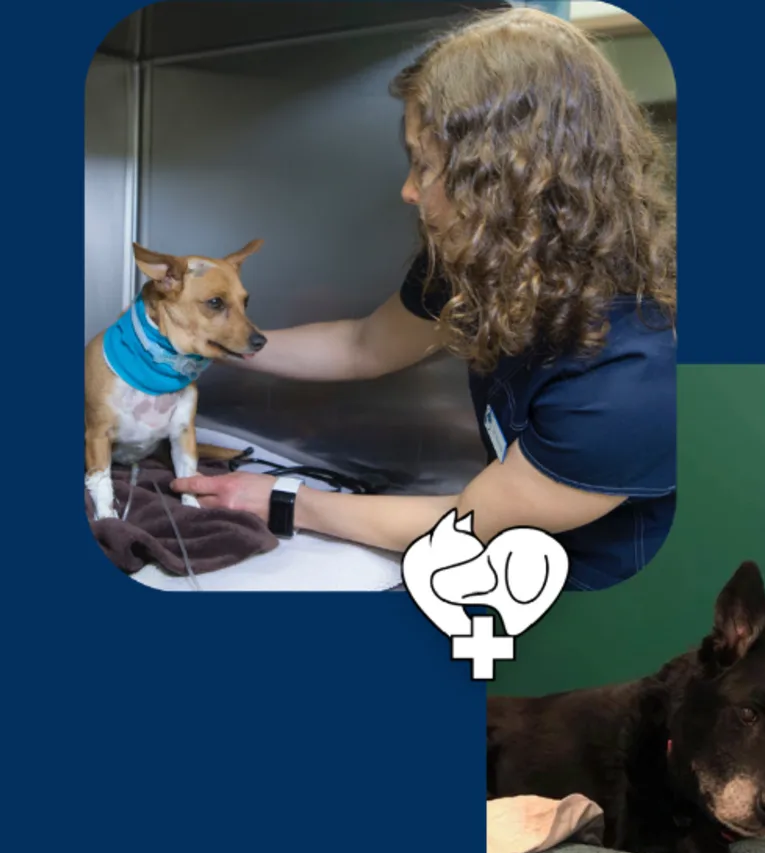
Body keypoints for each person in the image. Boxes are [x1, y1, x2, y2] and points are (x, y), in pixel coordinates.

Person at [171, 8, 676, 590]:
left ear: (508, 178)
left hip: (589, 604)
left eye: (426, 165)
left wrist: (283, 501)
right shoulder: (484, 261)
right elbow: (362, 345)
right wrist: (214, 341)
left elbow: (466, 520)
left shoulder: (634, 370)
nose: (408, 191)